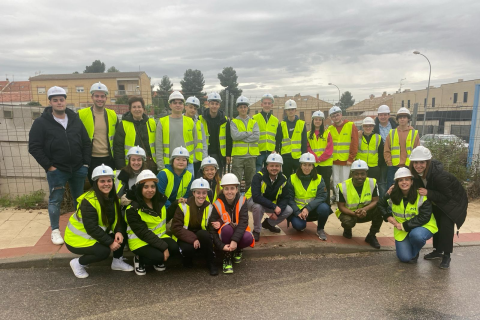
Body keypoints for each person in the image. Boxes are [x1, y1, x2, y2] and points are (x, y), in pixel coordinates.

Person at [29, 86, 91, 245]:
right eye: (55, 100)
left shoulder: (75, 119)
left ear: (65, 101)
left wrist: (85, 163)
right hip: (57, 170)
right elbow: (34, 147)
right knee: (55, 200)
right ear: (50, 102)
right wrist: (49, 166)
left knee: (80, 199)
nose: (59, 103)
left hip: (78, 168)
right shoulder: (41, 123)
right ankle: (55, 230)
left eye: (61, 100)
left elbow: (86, 142)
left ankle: (81, 225)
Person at [65, 164, 134, 278]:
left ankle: (117, 261)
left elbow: (118, 219)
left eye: (109, 180)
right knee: (103, 252)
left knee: (122, 233)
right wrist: (110, 242)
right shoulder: (89, 201)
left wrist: (118, 231)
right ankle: (77, 263)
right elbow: (92, 228)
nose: (106, 184)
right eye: (102, 181)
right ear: (96, 183)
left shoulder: (113, 197)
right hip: (77, 239)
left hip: (93, 235)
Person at [409, 146, 468, 269]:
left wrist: (428, 193)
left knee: (445, 226)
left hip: (453, 202)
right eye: (415, 162)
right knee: (436, 224)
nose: (418, 165)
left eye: (422, 162)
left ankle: (446, 256)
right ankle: (438, 251)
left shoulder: (439, 175)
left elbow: (447, 196)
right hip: (437, 201)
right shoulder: (416, 174)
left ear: (428, 162)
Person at [125, 170, 179, 275]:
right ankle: (139, 260)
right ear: (140, 188)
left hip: (158, 236)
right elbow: (143, 232)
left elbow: (163, 219)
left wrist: (175, 204)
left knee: (174, 248)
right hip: (139, 241)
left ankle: (157, 259)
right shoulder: (132, 209)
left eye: (153, 187)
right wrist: (163, 247)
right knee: (158, 256)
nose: (150, 190)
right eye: (146, 187)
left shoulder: (159, 202)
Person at [378, 167, 437, 263]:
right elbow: (380, 204)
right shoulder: (393, 194)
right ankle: (411, 247)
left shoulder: (421, 195)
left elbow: (424, 217)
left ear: (412, 181)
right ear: (397, 183)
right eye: (400, 180)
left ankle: (415, 248)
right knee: (405, 258)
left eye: (407, 179)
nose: (404, 182)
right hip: (402, 230)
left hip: (423, 226)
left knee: (417, 236)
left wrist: (403, 225)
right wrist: (388, 216)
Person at [171, 178, 218, 276]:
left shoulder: (209, 207)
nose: (201, 196)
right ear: (193, 193)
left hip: (200, 235)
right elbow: (176, 228)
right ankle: (187, 258)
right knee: (188, 249)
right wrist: (193, 239)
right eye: (198, 193)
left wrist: (219, 223)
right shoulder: (183, 206)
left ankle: (211, 262)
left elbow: (212, 225)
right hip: (185, 235)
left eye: (204, 193)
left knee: (204, 234)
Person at [209, 173, 254, 274]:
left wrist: (234, 241)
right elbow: (212, 229)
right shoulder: (217, 203)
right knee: (226, 230)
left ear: (237, 189)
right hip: (226, 234)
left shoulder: (242, 201)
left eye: (232, 188)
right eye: (226, 189)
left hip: (239, 231)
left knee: (248, 238)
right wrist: (221, 246)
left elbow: (243, 222)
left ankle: (237, 249)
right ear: (223, 190)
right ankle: (227, 257)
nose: (229, 192)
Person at [335, 160, 383, 248]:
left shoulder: (372, 183)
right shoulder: (342, 186)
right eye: (356, 174)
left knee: (381, 209)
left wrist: (364, 210)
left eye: (362, 174)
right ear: (352, 174)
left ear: (366, 174)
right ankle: (347, 229)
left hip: (366, 211)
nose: (359, 176)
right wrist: (355, 214)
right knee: (348, 222)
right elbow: (341, 207)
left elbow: (375, 201)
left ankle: (371, 236)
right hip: (350, 213)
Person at [246, 154, 292, 242]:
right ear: (267, 166)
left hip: (269, 203)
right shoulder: (258, 176)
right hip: (251, 201)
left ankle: (269, 224)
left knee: (289, 210)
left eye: (277, 166)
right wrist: (274, 207)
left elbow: (285, 197)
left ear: (280, 167)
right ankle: (256, 230)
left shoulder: (283, 179)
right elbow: (256, 197)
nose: (274, 168)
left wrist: (278, 211)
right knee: (258, 207)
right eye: (272, 165)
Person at [78, 82, 118, 185]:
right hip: (91, 159)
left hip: (109, 158)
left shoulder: (112, 114)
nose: (99, 99)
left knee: (110, 187)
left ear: (106, 98)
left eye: (102, 96)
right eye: (97, 96)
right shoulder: (81, 114)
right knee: (95, 188)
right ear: (92, 97)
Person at [287, 153, 332, 240]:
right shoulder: (292, 178)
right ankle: (300, 222)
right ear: (300, 165)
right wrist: (297, 212)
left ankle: (320, 229)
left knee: (325, 208)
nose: (307, 168)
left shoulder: (319, 178)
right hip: (298, 210)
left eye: (309, 165)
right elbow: (289, 198)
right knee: (299, 226)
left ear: (313, 166)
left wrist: (308, 208)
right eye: (304, 165)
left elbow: (322, 196)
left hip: (313, 209)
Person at [155, 91, 196, 176]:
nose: (177, 105)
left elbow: (195, 143)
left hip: (187, 165)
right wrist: (161, 167)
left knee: (187, 189)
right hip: (168, 165)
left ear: (183, 106)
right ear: (170, 105)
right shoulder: (162, 122)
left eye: (180, 103)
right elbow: (158, 147)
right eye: (175, 103)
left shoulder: (190, 122)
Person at [113, 96, 157, 173]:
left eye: (139, 107)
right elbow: (118, 149)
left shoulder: (152, 123)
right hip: (131, 166)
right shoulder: (123, 125)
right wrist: (121, 168)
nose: (137, 109)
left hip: (150, 165)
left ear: (143, 109)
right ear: (130, 109)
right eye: (134, 107)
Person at [327, 106, 358, 202]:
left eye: (337, 115)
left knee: (344, 181)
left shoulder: (350, 125)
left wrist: (351, 158)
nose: (336, 117)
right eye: (333, 116)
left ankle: (344, 199)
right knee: (336, 181)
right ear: (331, 118)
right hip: (334, 160)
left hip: (346, 160)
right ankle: (338, 198)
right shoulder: (330, 128)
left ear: (341, 115)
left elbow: (354, 142)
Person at [384, 107, 419, 189]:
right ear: (397, 120)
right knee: (391, 189)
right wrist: (389, 163)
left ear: (408, 119)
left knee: (409, 189)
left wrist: (414, 165)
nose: (402, 119)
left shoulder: (414, 133)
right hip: (393, 167)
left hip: (409, 166)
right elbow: (386, 150)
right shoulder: (392, 133)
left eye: (404, 117)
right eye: (400, 117)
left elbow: (417, 151)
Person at [230, 96, 260, 192]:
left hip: (251, 155)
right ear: (237, 109)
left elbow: (256, 136)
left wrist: (242, 137)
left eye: (245, 107)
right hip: (238, 156)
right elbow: (235, 136)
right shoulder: (234, 122)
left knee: (250, 181)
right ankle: (236, 201)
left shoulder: (254, 122)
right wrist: (248, 133)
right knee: (236, 181)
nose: (243, 109)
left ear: (247, 108)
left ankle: (248, 202)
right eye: (241, 107)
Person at [199, 92, 232, 176]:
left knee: (218, 177)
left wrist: (228, 154)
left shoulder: (224, 120)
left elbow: (228, 138)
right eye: (212, 103)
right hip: (204, 153)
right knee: (204, 176)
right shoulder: (201, 119)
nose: (214, 106)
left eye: (216, 104)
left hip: (219, 154)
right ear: (208, 104)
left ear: (219, 105)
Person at [157, 146, 193, 222]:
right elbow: (159, 195)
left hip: (179, 207)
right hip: (163, 207)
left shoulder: (189, 176)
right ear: (172, 161)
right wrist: (172, 208)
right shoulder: (163, 174)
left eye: (184, 160)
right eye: (178, 159)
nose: (181, 162)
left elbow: (186, 196)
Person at [307, 110, 333, 205]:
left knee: (325, 184)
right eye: (316, 119)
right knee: (314, 184)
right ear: (313, 121)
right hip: (314, 164)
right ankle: (315, 203)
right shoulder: (308, 134)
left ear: (322, 121)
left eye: (320, 120)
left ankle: (326, 203)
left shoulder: (327, 133)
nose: (317, 121)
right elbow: (308, 147)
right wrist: (315, 158)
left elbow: (329, 148)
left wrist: (320, 158)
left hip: (325, 164)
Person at [275, 99, 307, 176]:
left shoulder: (301, 124)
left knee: (298, 177)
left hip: (298, 156)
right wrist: (277, 152)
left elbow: (304, 141)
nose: (290, 111)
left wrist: (303, 155)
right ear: (286, 111)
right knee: (286, 177)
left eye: (292, 109)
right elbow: (278, 140)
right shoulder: (281, 124)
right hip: (286, 156)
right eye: (288, 110)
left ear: (295, 110)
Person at [373, 105, 397, 197]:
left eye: (385, 115)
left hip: (394, 157)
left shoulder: (395, 126)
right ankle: (384, 200)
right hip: (380, 159)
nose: (383, 117)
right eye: (380, 115)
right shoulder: (374, 128)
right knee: (382, 181)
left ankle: (393, 199)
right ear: (378, 116)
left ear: (389, 115)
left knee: (393, 180)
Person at [253, 93, 279, 172]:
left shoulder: (275, 120)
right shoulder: (255, 118)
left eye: (269, 103)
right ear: (261, 104)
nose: (267, 105)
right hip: (259, 152)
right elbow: (252, 136)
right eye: (265, 103)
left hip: (271, 152)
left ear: (272, 105)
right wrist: (255, 150)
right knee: (258, 174)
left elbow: (277, 137)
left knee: (270, 174)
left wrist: (276, 150)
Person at [184, 96, 208, 177]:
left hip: (197, 160)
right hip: (184, 160)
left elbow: (204, 142)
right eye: (190, 107)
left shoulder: (199, 124)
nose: (193, 110)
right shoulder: (181, 122)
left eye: (195, 108)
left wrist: (204, 159)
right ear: (185, 107)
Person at [356, 117, 383, 182]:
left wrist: (378, 166)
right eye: (366, 126)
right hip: (360, 167)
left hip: (374, 167)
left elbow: (381, 153)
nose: (368, 128)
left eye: (370, 126)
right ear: (362, 126)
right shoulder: (357, 136)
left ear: (373, 127)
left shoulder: (378, 137)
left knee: (372, 186)